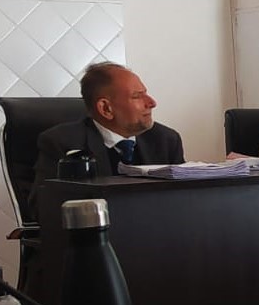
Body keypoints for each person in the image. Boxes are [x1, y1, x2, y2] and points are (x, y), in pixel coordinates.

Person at [33, 62, 185, 212]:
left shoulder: (166, 140)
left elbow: (184, 200)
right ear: (106, 108)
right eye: (137, 96)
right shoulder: (62, 142)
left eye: (145, 93)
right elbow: (43, 208)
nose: (152, 103)